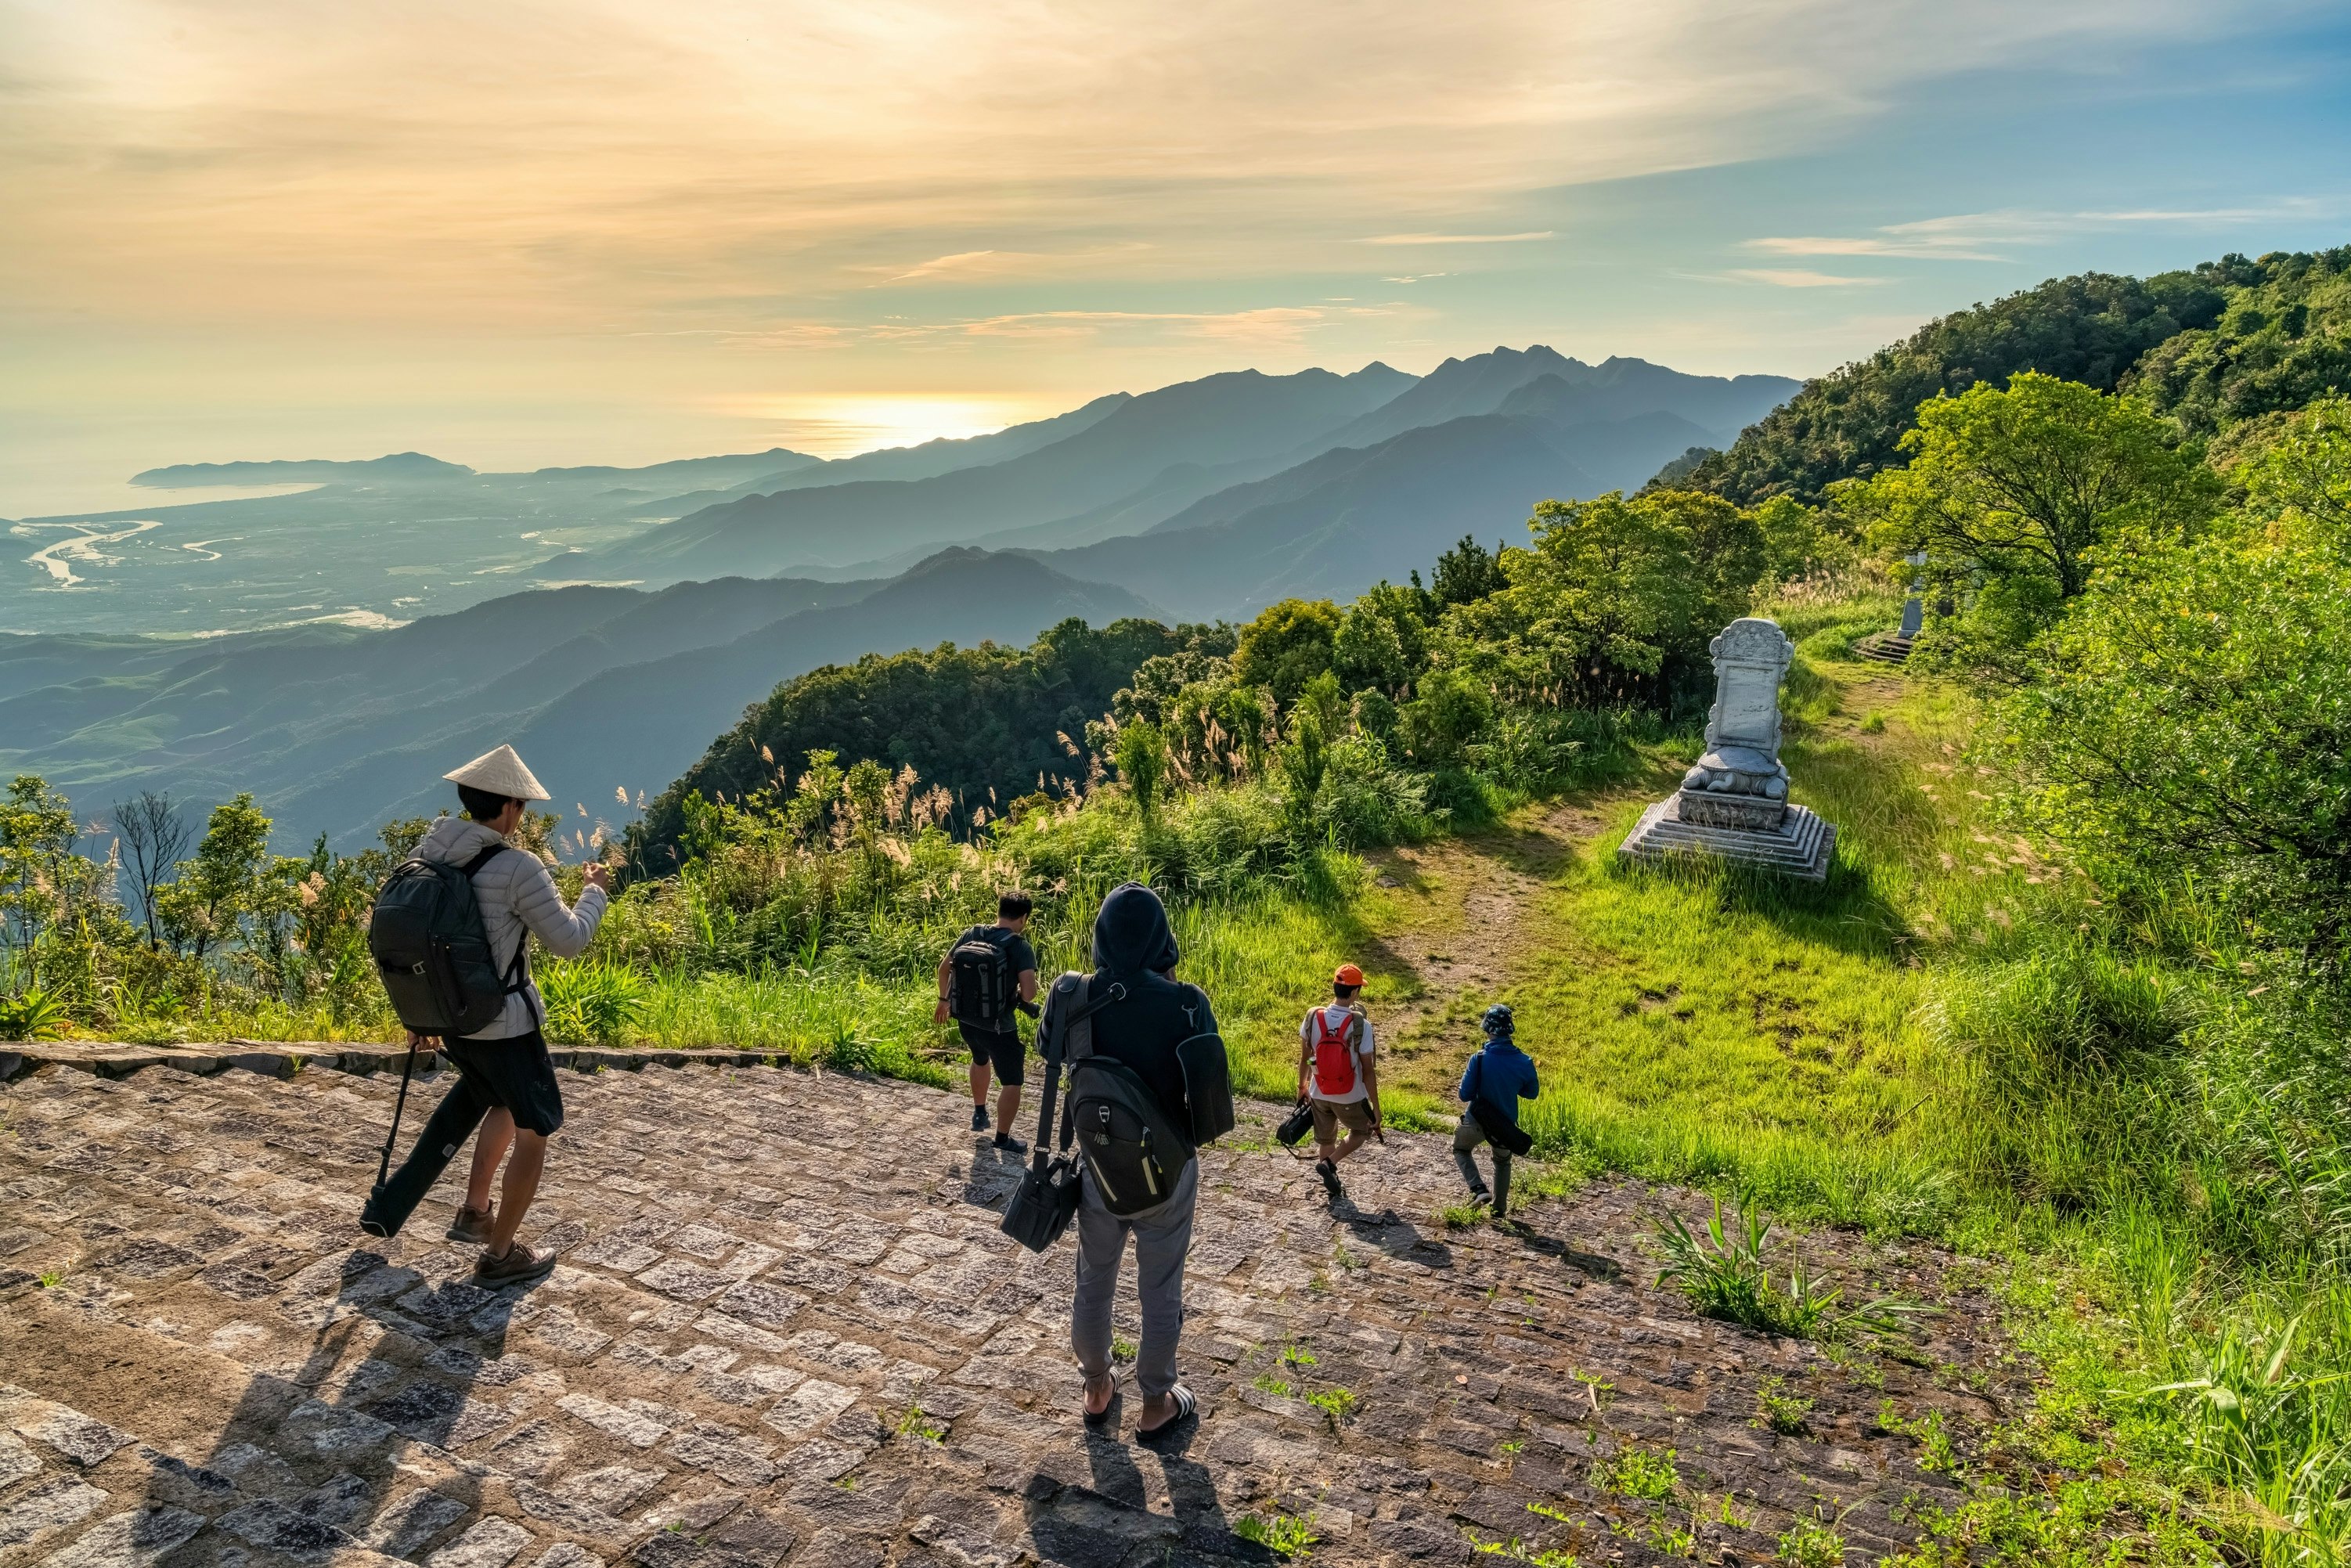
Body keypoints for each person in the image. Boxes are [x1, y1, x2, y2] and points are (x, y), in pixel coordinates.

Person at [359, 744, 609, 1286]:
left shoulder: (429, 853)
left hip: (452, 1022)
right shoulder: (517, 866)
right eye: (521, 806)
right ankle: (500, 1256)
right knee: (535, 1128)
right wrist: (594, 893)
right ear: (511, 809)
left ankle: (475, 1212)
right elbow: (568, 941)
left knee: (496, 1097)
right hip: (505, 1026)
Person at [1065, 881, 1214, 1441]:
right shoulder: (1187, 1002)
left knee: (1093, 1277)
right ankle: (1157, 1400)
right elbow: (1209, 1108)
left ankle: (1097, 1385)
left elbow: (1051, 1053)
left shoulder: (1072, 993)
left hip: (1100, 1167)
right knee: (1160, 1284)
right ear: (1163, 937)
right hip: (1168, 1170)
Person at [935, 891, 1040, 1152]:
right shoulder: (1020, 947)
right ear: (1024, 918)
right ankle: (1003, 1139)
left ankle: (980, 1112)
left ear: (1000, 910)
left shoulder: (973, 933)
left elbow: (944, 967)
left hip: (967, 1020)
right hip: (999, 1026)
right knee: (1012, 1082)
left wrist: (943, 1000)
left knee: (980, 1059)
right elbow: (1028, 993)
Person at [1296, 962, 1379, 1200]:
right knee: (1362, 1131)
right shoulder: (1361, 1025)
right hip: (1349, 1095)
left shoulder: (1313, 1016)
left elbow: (1304, 1057)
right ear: (1354, 993)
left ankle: (1330, 1178)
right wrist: (1376, 1109)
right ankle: (1330, 1164)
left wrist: (1303, 1086)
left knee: (1326, 1138)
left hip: (1319, 1091)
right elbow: (1368, 1071)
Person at [1454, 1003, 1539, 1216]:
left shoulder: (1480, 1058)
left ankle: (1478, 1188)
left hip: (1477, 1120)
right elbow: (1531, 1093)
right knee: (1502, 1161)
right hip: (1505, 1124)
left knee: (1461, 1149)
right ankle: (1499, 1209)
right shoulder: (1525, 1062)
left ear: (1488, 1030)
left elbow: (1464, 1094)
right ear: (1509, 1029)